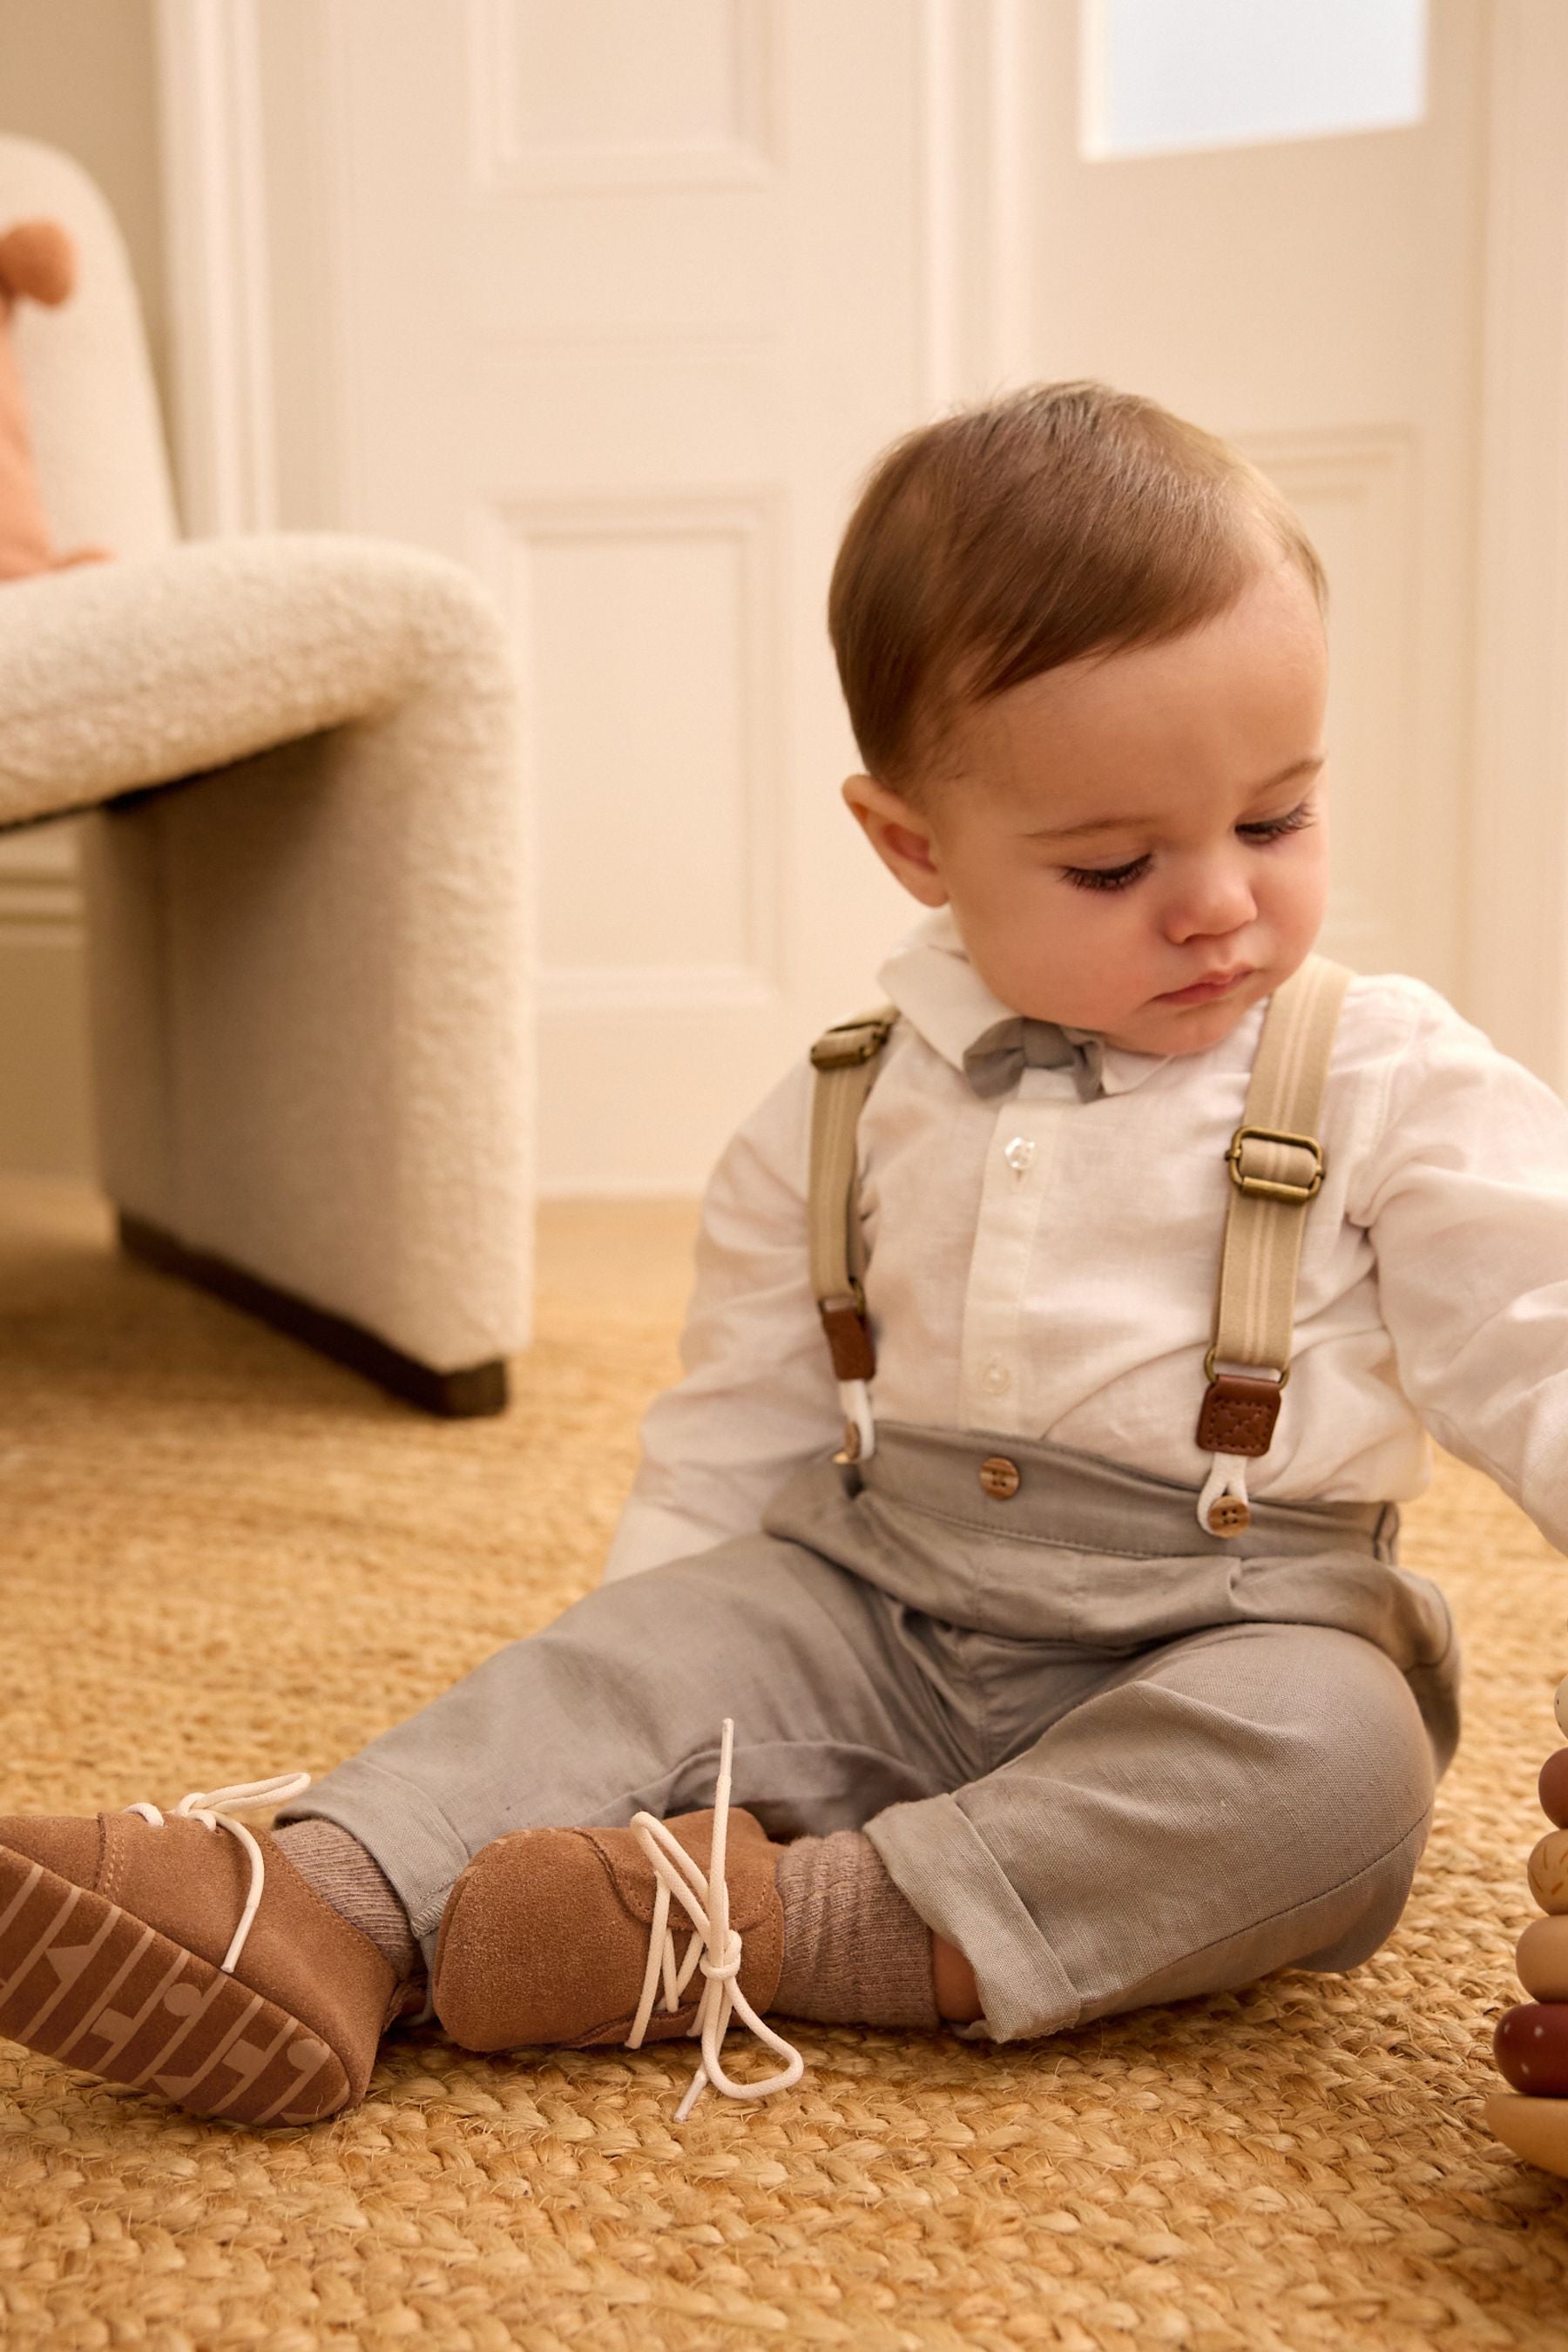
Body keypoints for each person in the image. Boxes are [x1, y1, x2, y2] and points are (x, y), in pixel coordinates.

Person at [15, 375, 1561, 2136]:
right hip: (873, 1590)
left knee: (1342, 1772)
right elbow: (738, 1416)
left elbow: (1539, 1319)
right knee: (626, 1663)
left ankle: (757, 1924)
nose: (1220, 901)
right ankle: (314, 1905)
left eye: (1275, 822)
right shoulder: (841, 1106)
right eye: (1116, 860)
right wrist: (651, 1646)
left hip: (1225, 1624)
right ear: (914, 844)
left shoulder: (1379, 1071)